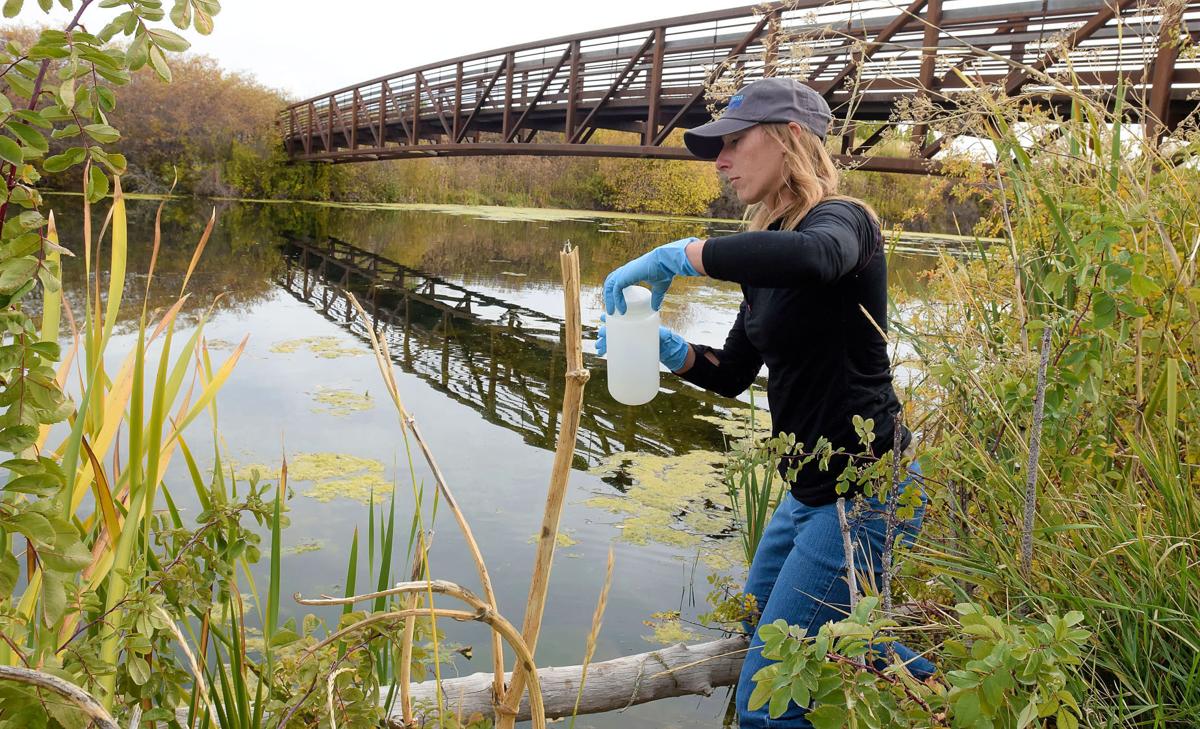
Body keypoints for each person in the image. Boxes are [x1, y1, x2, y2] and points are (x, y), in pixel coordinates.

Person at [595, 77, 935, 727]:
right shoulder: (764, 261)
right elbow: (730, 373)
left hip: (865, 490)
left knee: (766, 709)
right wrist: (664, 345)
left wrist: (681, 255)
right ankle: (936, 689)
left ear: (790, 138)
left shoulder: (846, 221)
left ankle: (932, 688)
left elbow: (817, 257)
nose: (719, 161)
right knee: (759, 629)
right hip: (806, 493)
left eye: (733, 142)